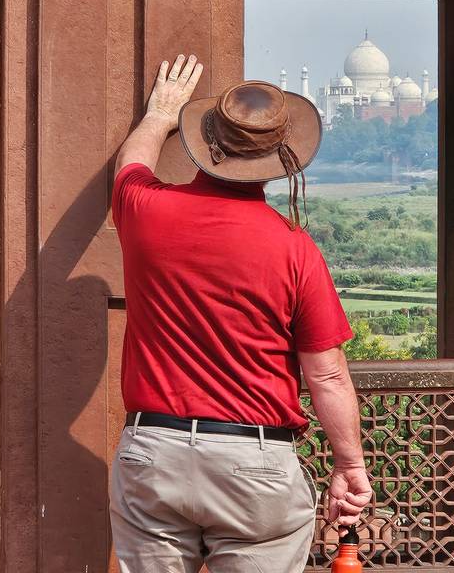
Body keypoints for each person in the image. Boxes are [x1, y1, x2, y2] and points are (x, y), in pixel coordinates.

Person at [110, 53, 373, 573]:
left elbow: (130, 168)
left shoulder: (146, 213)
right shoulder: (294, 249)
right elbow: (327, 374)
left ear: (206, 144)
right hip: (253, 463)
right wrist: (349, 464)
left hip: (153, 452)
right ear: (283, 157)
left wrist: (161, 115)